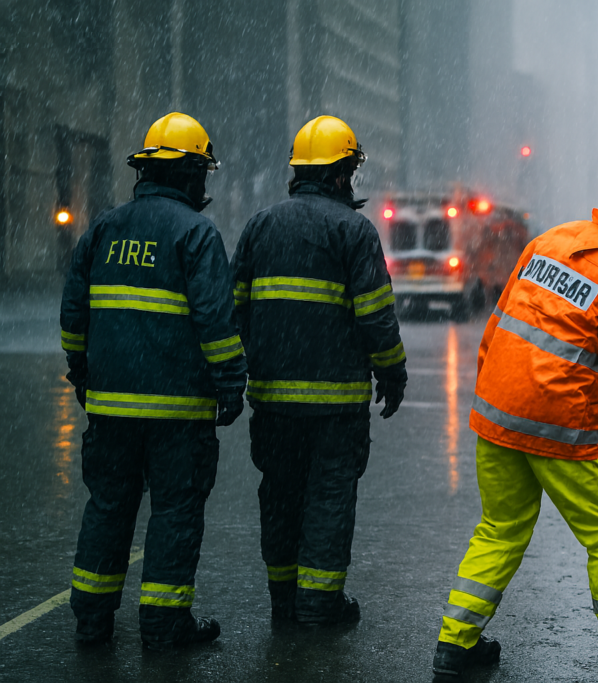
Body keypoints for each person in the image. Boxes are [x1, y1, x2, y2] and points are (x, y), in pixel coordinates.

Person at [431, 155, 598, 682]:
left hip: (498, 415)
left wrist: (497, 395)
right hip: (563, 428)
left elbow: (498, 326)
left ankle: (455, 644)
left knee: (499, 530)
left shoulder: (550, 242)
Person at [60, 112, 247, 649]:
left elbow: (75, 314)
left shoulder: (104, 228)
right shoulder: (196, 233)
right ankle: (163, 625)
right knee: (175, 512)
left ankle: (91, 621)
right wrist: (231, 383)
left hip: (111, 409)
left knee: (108, 508)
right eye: (202, 175)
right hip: (177, 414)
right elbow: (215, 321)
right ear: (191, 176)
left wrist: (82, 371)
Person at [231, 116, 406, 626]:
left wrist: (255, 362)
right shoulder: (353, 231)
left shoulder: (260, 225)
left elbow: (235, 308)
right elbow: (376, 315)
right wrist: (392, 374)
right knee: (329, 500)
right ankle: (319, 604)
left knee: (280, 497)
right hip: (335, 407)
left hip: (273, 403)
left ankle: (284, 601)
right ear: (339, 175)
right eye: (349, 171)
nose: (351, 181)